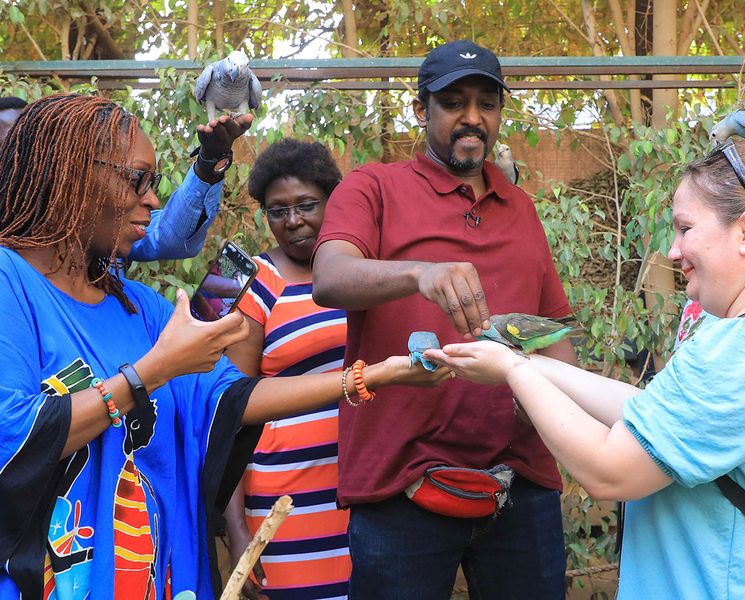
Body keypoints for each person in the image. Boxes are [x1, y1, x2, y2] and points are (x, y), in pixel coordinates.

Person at [0, 94, 449, 600]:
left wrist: (376, 375)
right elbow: (13, 434)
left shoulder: (138, 307)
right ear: (73, 176)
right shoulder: (9, 283)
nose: (152, 199)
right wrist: (149, 373)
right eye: (137, 180)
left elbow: (233, 398)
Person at [426, 140, 745, 599]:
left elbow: (611, 468)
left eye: (685, 228)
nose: (673, 250)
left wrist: (512, 370)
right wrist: (533, 365)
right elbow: (655, 417)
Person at [312, 40, 577, 599]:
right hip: (401, 484)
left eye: (487, 103)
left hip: (519, 484)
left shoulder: (521, 208)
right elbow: (330, 277)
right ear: (420, 109)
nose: (473, 118)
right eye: (454, 102)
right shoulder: (374, 187)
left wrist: (561, 413)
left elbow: (553, 332)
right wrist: (419, 274)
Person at [223, 138, 350, 599]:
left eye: (306, 205)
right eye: (278, 211)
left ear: (334, 200)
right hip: (285, 504)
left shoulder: (364, 269)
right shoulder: (253, 282)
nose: (293, 221)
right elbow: (227, 411)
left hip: (367, 497)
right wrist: (236, 531)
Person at [0, 95, 250, 262]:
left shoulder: (98, 225)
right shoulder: (11, 278)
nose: (23, 156)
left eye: (31, 141)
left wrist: (208, 164)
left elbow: (168, 236)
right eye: (10, 146)